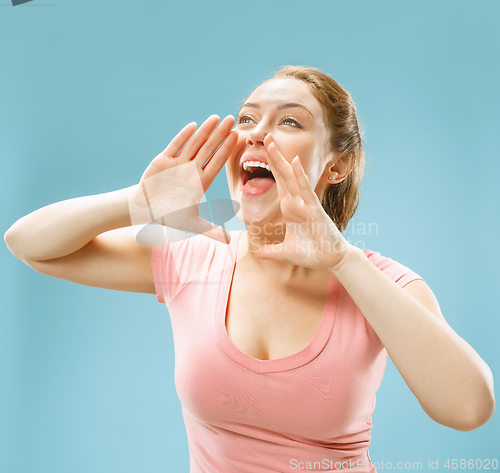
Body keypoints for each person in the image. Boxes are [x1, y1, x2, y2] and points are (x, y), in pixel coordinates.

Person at [4, 65, 495, 473]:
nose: (256, 133)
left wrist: (342, 260)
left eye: (289, 122)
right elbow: (29, 244)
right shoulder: (195, 255)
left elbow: (469, 409)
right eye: (247, 119)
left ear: (336, 166)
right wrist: (138, 202)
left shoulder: (382, 283)